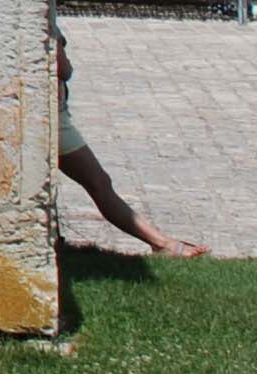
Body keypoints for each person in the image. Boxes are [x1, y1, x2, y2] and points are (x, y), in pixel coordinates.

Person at [55, 20, 205, 258]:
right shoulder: (43, 20)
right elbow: (63, 69)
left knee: (96, 184)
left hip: (55, 116)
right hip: (54, 121)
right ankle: (161, 243)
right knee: (99, 183)